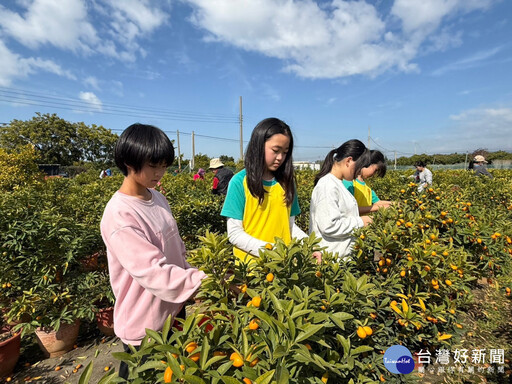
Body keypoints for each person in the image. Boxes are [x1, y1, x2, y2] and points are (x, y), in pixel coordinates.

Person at [100, 123, 206, 379]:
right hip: (145, 326)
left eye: (164, 165)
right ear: (128, 161)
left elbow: (176, 246)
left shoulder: (157, 197)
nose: (160, 173)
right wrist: (204, 281)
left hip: (173, 310)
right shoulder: (119, 215)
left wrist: (193, 271)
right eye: (153, 165)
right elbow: (153, 272)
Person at [221, 118, 319, 263]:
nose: (280, 157)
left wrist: (309, 245)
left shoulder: (287, 182)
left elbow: (289, 226)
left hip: (283, 267)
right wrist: (270, 250)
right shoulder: (239, 182)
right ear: (258, 146)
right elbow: (235, 233)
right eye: (275, 150)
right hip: (252, 270)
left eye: (285, 152)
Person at [309, 139, 372, 259]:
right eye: (358, 168)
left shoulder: (337, 184)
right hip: (330, 262)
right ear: (348, 161)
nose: (358, 173)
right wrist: (361, 222)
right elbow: (329, 226)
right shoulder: (327, 185)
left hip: (340, 259)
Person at [343, 150, 392, 215]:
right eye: (375, 170)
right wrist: (379, 207)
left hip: (365, 223)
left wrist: (396, 204)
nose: (374, 174)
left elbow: (377, 202)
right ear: (367, 164)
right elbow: (349, 209)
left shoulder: (366, 183)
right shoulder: (349, 182)